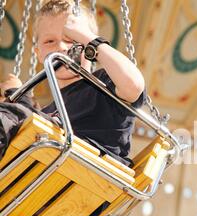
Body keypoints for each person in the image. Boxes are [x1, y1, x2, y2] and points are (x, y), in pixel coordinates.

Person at [0, 0, 146, 166]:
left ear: (90, 49)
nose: (61, 47)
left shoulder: (105, 86)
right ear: (38, 54)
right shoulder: (49, 111)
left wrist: (89, 39)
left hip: (91, 168)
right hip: (47, 173)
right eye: (50, 42)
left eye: (71, 39)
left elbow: (133, 85)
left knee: (20, 117)